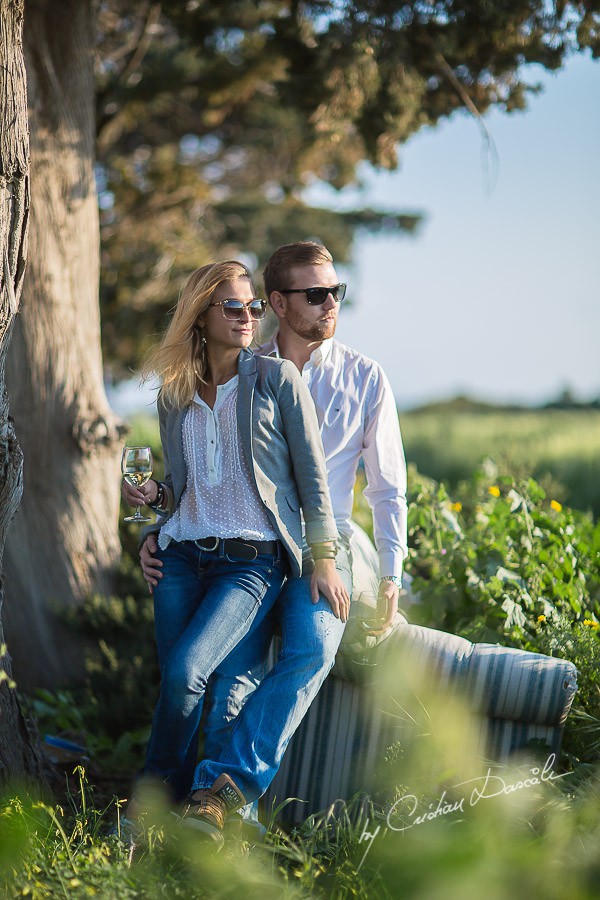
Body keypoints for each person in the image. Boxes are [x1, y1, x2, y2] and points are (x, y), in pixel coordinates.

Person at [139, 242, 407, 841]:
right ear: (282, 304)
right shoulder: (241, 372)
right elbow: (203, 483)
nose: (331, 302)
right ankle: (208, 829)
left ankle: (223, 793)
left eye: (336, 291)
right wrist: (155, 528)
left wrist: (387, 576)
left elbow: (386, 489)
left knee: (310, 644)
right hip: (253, 545)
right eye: (316, 294)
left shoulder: (362, 378)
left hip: (326, 542)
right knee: (225, 680)